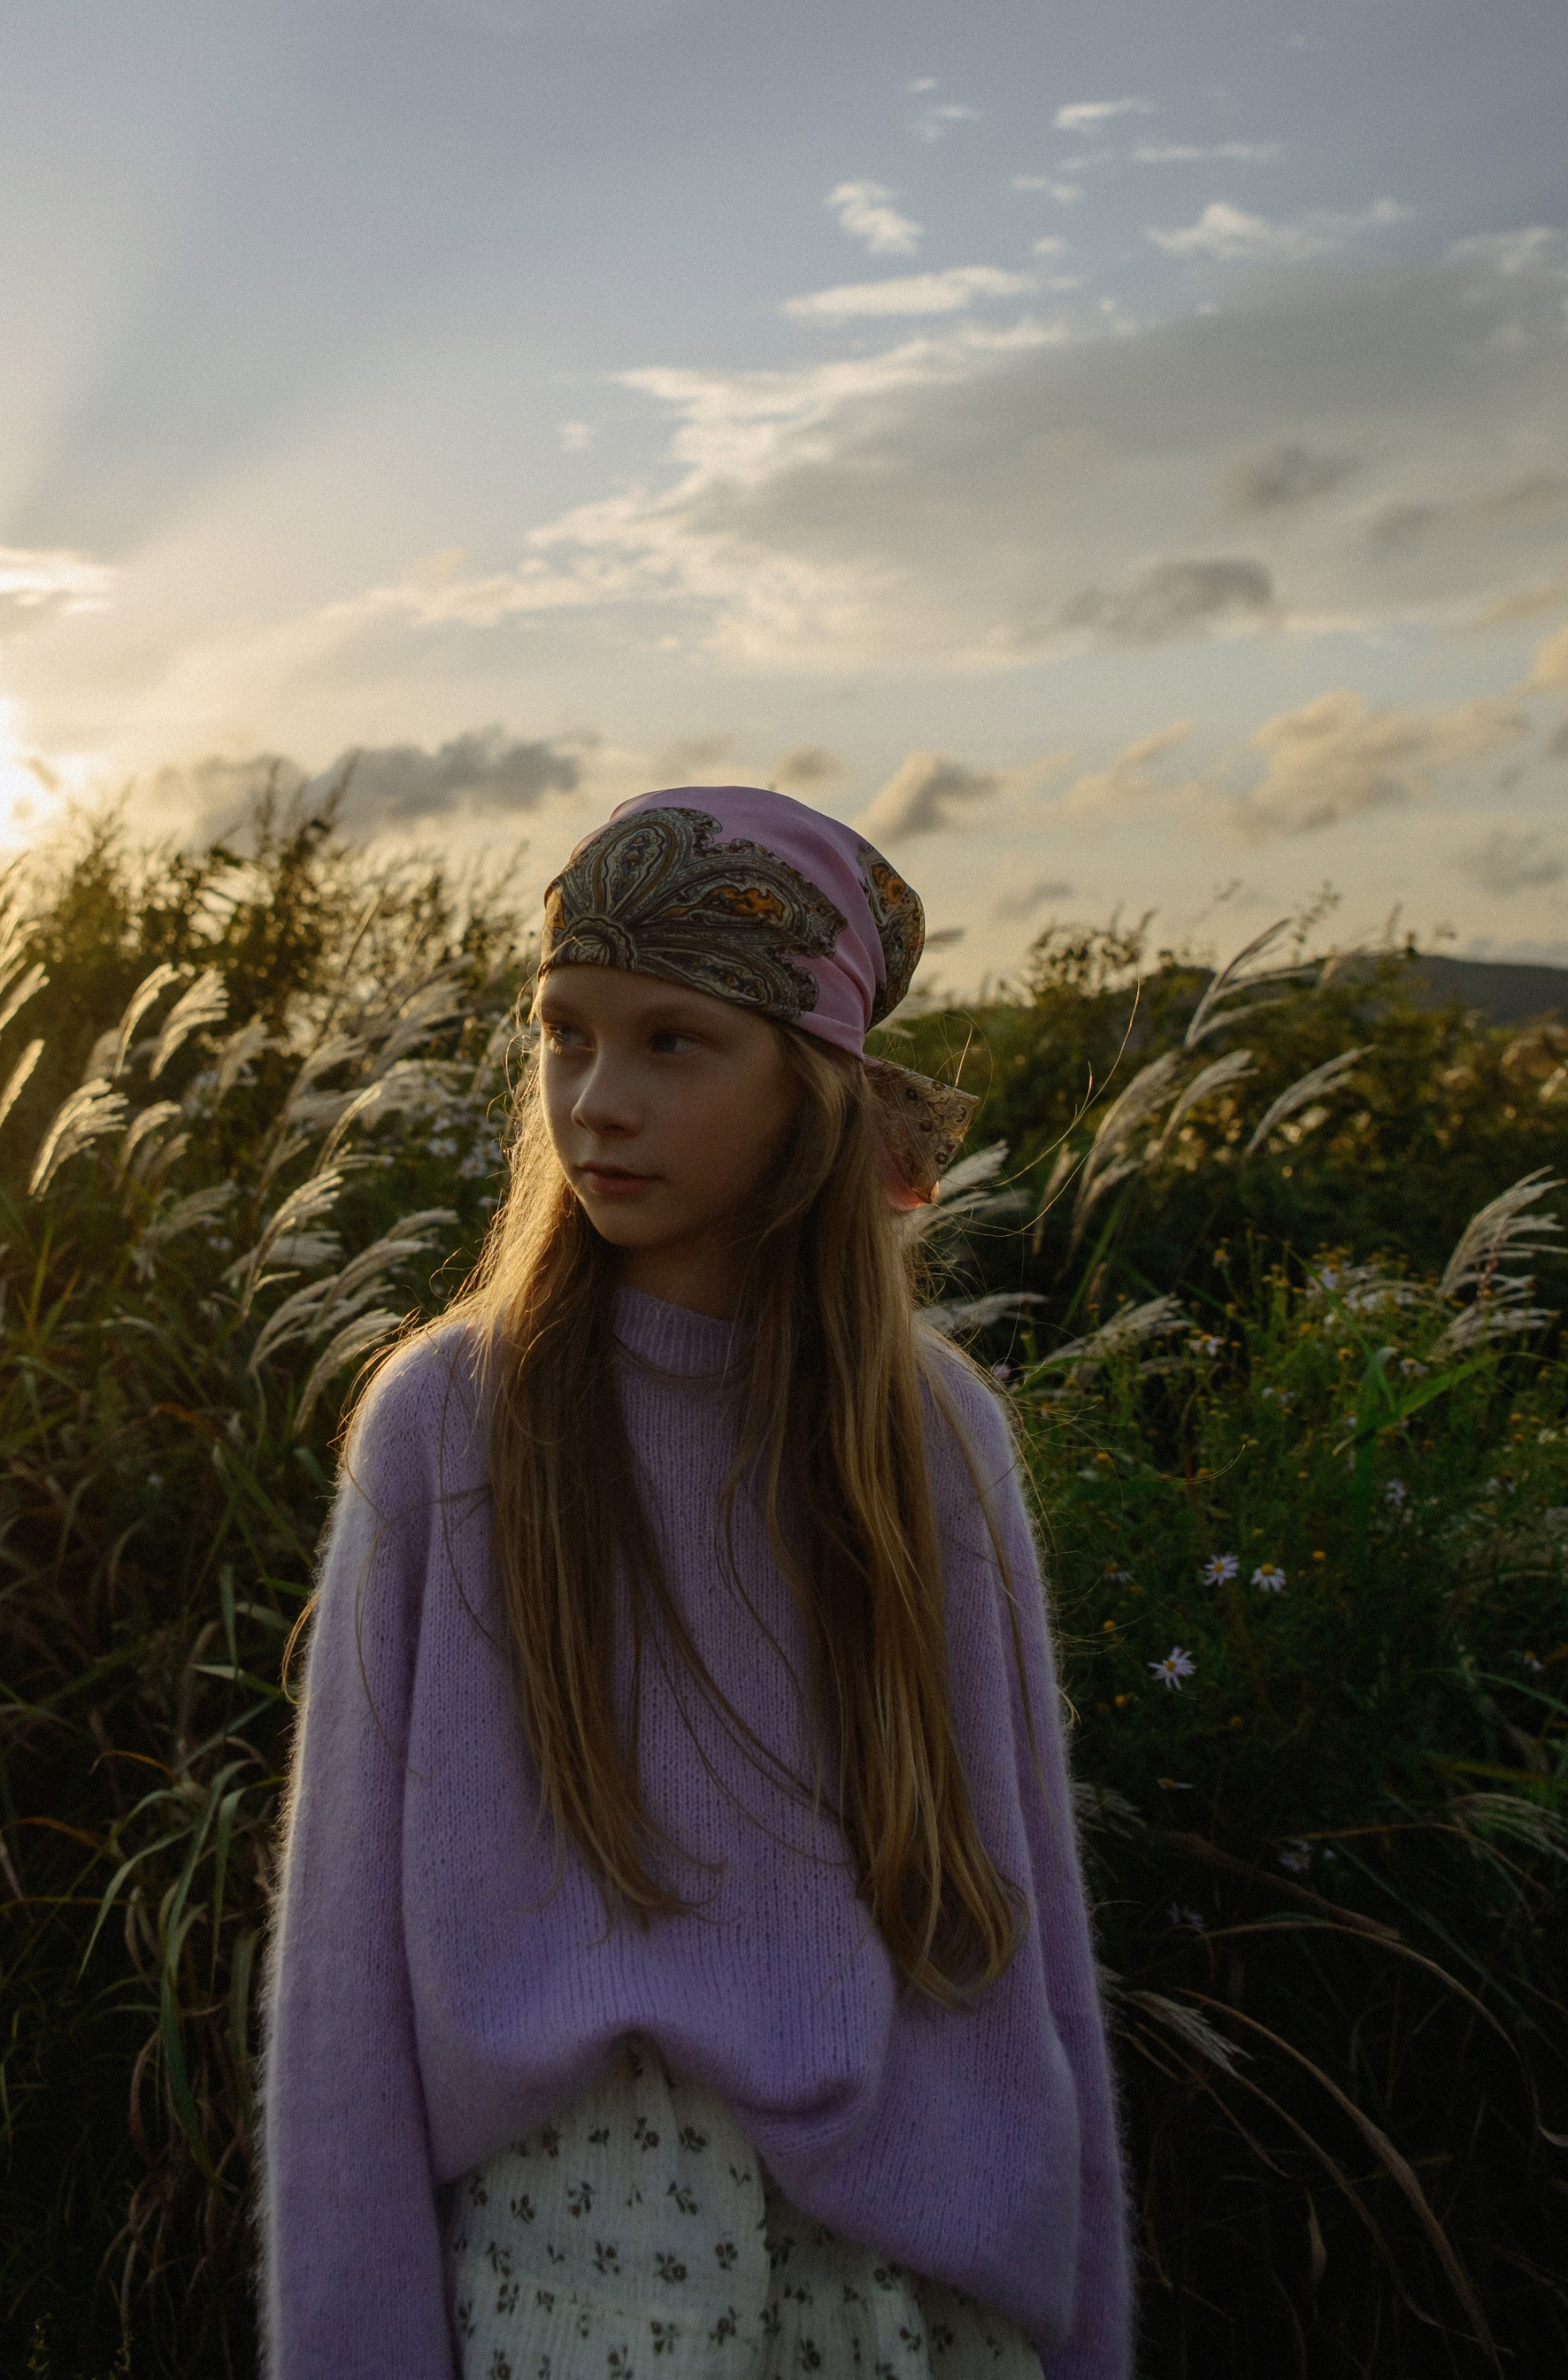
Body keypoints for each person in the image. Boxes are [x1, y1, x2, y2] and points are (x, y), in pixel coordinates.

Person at [261, 787, 1131, 2380]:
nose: (595, 1101)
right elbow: (342, 1965)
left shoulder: (932, 1437)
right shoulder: (454, 1423)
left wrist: (1084, 2329)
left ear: (811, 1086)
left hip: (913, 2290)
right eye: (564, 1034)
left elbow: (1028, 1926)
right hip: (574, 2282)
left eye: (675, 1042)